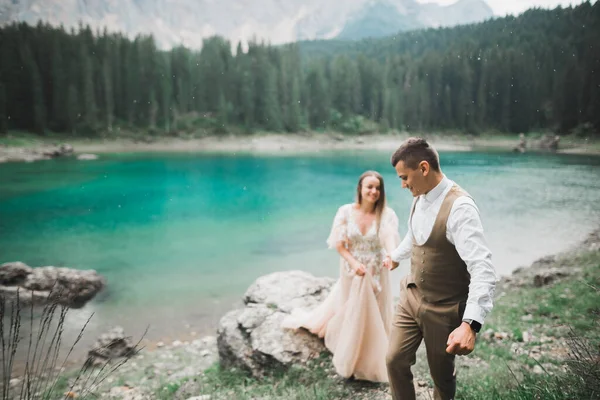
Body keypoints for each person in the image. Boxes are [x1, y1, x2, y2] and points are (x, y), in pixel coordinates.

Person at [383, 138, 498, 400]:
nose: (402, 185)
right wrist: (395, 256)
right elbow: (414, 236)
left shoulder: (461, 208)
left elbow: (483, 268)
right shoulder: (419, 196)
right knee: (394, 360)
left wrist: (470, 324)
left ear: (424, 168)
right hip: (411, 297)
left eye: (404, 177)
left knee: (442, 377)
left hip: (445, 308)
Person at [282, 170, 401, 382]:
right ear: (360, 189)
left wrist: (392, 257)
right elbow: (339, 244)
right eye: (369, 187)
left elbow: (389, 239)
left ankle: (371, 355)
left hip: (376, 270)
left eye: (377, 188)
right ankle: (350, 353)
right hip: (351, 269)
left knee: (374, 311)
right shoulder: (345, 212)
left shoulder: (387, 214)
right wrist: (354, 263)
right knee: (351, 309)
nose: (373, 191)